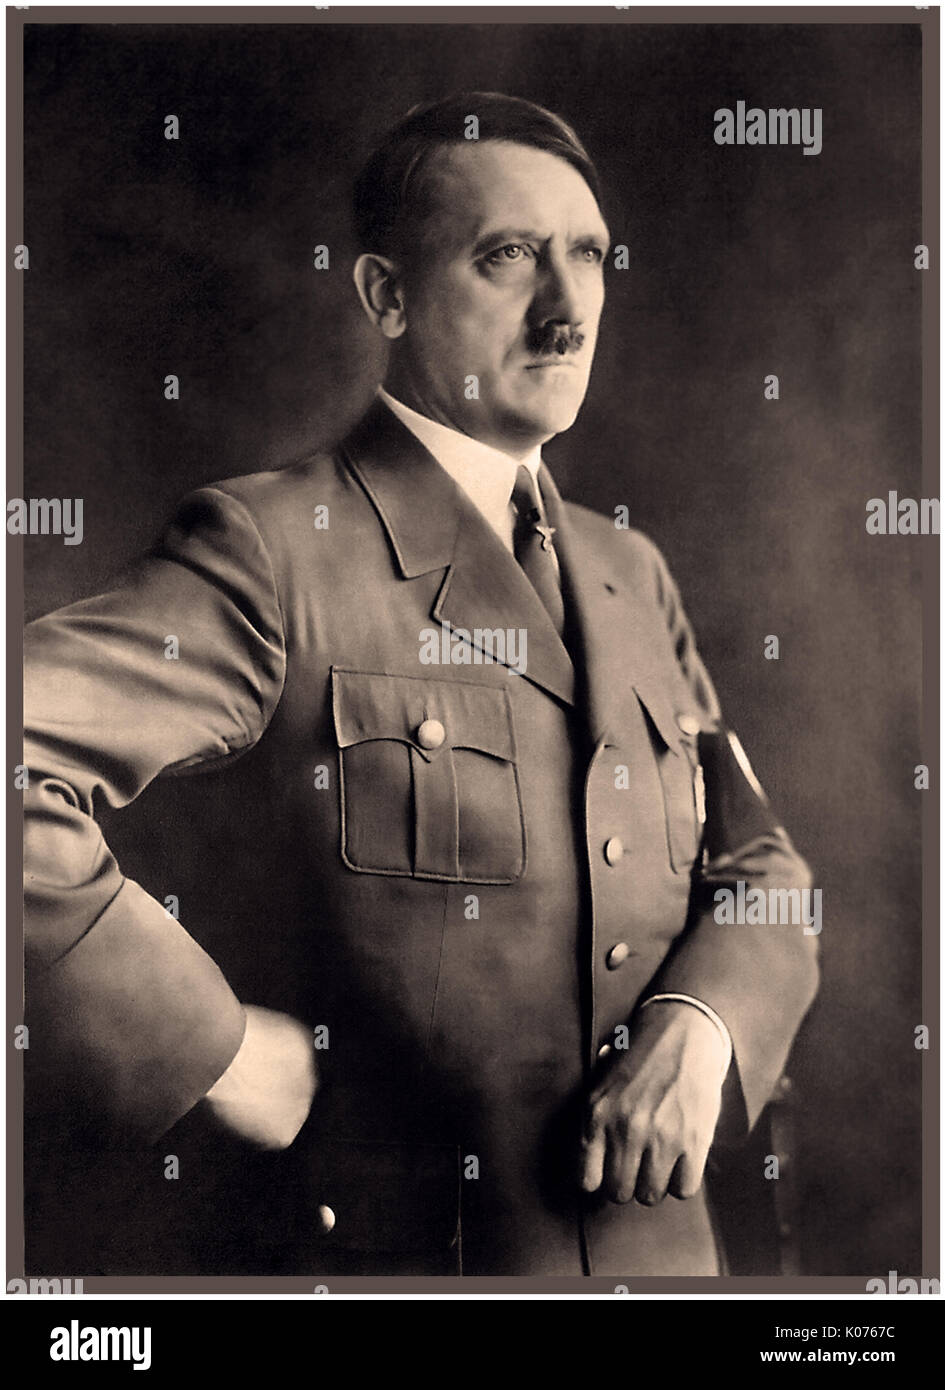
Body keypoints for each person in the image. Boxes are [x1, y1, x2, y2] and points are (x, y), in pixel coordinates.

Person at [23, 92, 819, 1277]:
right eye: (508, 258)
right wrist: (214, 1048)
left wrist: (702, 1028)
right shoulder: (275, 547)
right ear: (385, 296)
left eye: (589, 255)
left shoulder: (627, 569)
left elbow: (764, 870)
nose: (568, 312)